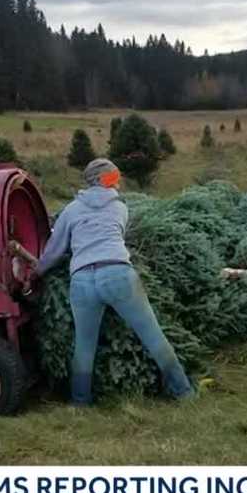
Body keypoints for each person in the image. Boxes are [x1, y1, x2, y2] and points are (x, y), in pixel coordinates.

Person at [32, 158, 196, 406]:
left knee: (84, 347)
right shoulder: (120, 208)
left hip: (83, 281)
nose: (117, 183)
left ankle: (80, 403)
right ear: (103, 180)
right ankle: (183, 393)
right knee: (153, 336)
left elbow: (54, 252)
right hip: (118, 274)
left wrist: (36, 272)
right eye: (113, 178)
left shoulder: (71, 210)